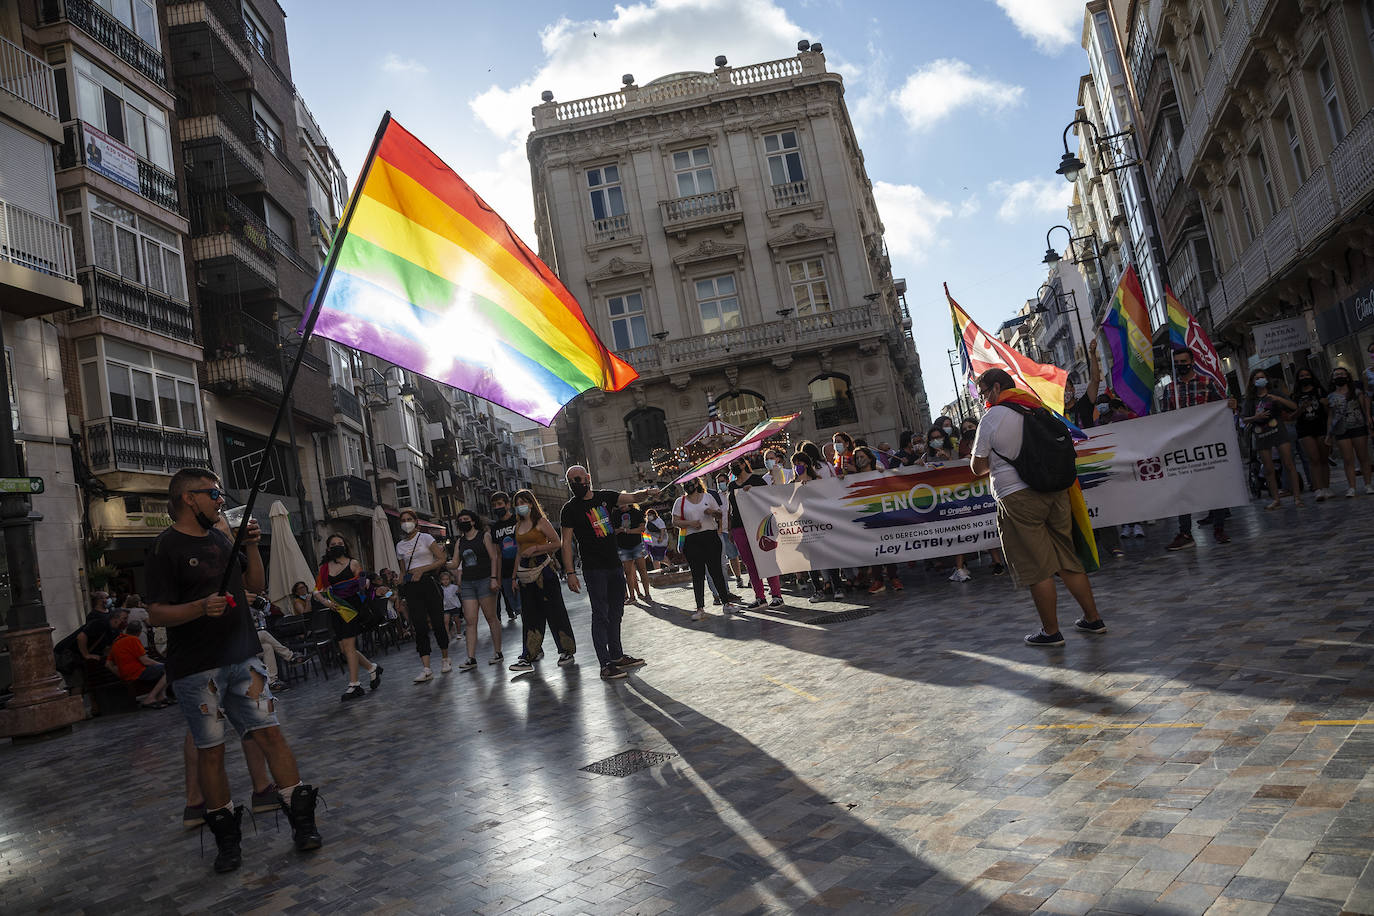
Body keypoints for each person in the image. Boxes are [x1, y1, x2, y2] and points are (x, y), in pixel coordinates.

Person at [145, 468, 321, 873]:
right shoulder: (164, 547)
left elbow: (255, 586)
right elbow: (156, 612)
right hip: (196, 669)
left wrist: (255, 547)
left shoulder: (223, 539)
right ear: (189, 498)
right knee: (211, 751)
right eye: (213, 494)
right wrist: (197, 608)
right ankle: (227, 841)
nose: (220, 500)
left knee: (271, 734)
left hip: (243, 658)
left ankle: (302, 822)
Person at [972, 369, 1106, 646]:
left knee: (1038, 567)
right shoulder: (1036, 406)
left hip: (1017, 497)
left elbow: (977, 466)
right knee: (1067, 557)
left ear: (996, 387)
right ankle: (1093, 619)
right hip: (1056, 491)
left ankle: (1051, 631)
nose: (983, 399)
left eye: (984, 392)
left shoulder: (993, 417)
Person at [560, 466, 654, 680]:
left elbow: (632, 496)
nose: (576, 484)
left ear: (588, 478)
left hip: (614, 564)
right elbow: (565, 543)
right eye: (571, 481)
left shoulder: (606, 497)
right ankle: (605, 664)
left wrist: (648, 493)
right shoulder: (569, 509)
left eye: (579, 479)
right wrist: (570, 572)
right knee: (600, 615)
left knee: (616, 613)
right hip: (594, 569)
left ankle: (617, 656)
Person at [1161, 349, 1237, 548]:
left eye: (1183, 361)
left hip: (1207, 444)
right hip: (1182, 447)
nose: (1180, 365)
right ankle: (1185, 533)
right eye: (1177, 362)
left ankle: (1219, 528)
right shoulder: (1170, 389)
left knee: (1214, 487)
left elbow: (1223, 408)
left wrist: (1230, 405)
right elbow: (1164, 419)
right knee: (1182, 490)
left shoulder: (1207, 383)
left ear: (1192, 361)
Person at [508, 489, 577, 672]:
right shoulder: (517, 526)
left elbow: (557, 543)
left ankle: (566, 650)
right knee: (530, 614)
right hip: (525, 573)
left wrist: (537, 548)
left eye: (523, 502)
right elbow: (518, 552)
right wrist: (513, 576)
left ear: (531, 503)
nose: (520, 506)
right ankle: (529, 654)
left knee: (555, 611)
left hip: (544, 570)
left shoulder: (541, 522)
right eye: (517, 503)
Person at [314, 534, 382, 701]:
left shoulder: (353, 563)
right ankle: (372, 668)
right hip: (335, 609)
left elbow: (362, 584)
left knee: (349, 646)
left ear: (345, 546)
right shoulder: (324, 567)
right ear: (328, 548)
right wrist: (326, 602)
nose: (337, 545)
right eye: (333, 544)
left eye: (340, 543)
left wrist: (365, 584)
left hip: (351, 608)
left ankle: (354, 684)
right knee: (344, 649)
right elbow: (316, 590)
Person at [396, 507, 451, 682]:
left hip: (428, 582)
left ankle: (445, 658)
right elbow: (403, 571)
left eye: (408, 519)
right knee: (419, 626)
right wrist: (400, 581)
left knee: (437, 621)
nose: (406, 523)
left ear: (415, 521)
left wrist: (423, 569)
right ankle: (426, 668)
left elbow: (441, 559)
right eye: (403, 520)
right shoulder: (399, 545)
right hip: (412, 587)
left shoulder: (426, 537)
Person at [447, 508, 504, 670]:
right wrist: (440, 562)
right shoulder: (460, 542)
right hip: (467, 583)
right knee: (471, 621)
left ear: (473, 521)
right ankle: (471, 658)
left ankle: (498, 652)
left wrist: (494, 578)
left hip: (485, 580)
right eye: (461, 520)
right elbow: (455, 563)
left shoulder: (484, 536)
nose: (463, 522)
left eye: (466, 519)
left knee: (490, 617)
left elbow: (494, 557)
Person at [726, 455, 785, 610]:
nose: (734, 466)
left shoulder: (757, 480)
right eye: (732, 464)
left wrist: (753, 492)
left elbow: (769, 500)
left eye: (736, 463)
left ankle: (777, 595)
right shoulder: (731, 485)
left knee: (767, 559)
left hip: (759, 525)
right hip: (739, 527)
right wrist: (730, 528)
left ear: (745, 464)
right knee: (750, 564)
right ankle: (760, 597)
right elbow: (730, 508)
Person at [1242, 368, 1304, 510]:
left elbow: (1293, 406)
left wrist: (1278, 399)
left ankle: (1297, 497)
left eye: (1262, 377)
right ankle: (1276, 499)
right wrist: (1255, 418)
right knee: (1268, 469)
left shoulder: (1275, 393)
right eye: (1256, 378)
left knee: (1289, 464)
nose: (1259, 380)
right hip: (1261, 434)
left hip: (1279, 431)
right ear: (1252, 382)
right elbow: (1244, 418)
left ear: (1267, 379)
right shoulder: (1251, 400)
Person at [673, 477, 731, 621]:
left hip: (710, 537)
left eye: (690, 483)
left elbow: (720, 514)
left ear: (697, 483)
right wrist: (690, 523)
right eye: (685, 483)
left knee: (716, 571)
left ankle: (726, 602)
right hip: (692, 540)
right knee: (697, 575)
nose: (687, 486)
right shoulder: (680, 502)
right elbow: (675, 521)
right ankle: (700, 608)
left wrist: (711, 512)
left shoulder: (708, 497)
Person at [792, 450, 845, 602]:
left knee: (829, 556)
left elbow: (827, 497)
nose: (797, 467)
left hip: (821, 523)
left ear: (806, 464)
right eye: (795, 464)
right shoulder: (792, 484)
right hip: (805, 525)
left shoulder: (818, 479)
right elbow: (790, 505)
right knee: (812, 560)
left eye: (800, 463)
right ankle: (818, 590)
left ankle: (838, 587)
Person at [1326, 367, 1373, 497]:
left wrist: (1369, 424)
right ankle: (1351, 487)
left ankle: (1368, 484)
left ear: (1347, 376)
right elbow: (1331, 416)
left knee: (1363, 456)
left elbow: (1364, 409)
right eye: (1336, 375)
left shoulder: (1356, 392)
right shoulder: (1330, 396)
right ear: (1333, 378)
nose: (1339, 376)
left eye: (1342, 374)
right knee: (1347, 459)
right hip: (1341, 429)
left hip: (1358, 426)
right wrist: (1329, 433)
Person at [108, 620, 170, 708]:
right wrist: (160, 664)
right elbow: (145, 661)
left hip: (127, 674)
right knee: (169, 668)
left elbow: (108, 664)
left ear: (127, 630)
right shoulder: (133, 639)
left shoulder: (116, 643)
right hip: (138, 672)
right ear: (140, 632)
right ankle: (151, 697)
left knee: (163, 669)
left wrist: (121, 674)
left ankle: (161, 696)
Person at [1293, 369, 1331, 500]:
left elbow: (1328, 410)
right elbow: (1293, 416)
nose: (1304, 377)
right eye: (1301, 376)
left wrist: (1325, 404)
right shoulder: (1296, 395)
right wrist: (1301, 408)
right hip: (1305, 429)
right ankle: (1318, 488)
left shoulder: (1319, 391)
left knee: (1324, 459)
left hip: (1321, 427)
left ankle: (1326, 487)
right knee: (1313, 459)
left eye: (1307, 375)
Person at [488, 492, 522, 622]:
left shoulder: (517, 520)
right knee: (516, 607)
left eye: (500, 504)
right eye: (494, 505)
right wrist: (497, 578)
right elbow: (498, 554)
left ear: (508, 505)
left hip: (522, 569)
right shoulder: (495, 528)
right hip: (506, 573)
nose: (497, 507)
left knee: (524, 607)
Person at [615, 502, 652, 604]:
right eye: (619, 504)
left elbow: (642, 528)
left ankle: (647, 594)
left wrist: (628, 531)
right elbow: (612, 530)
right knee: (628, 573)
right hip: (623, 547)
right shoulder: (615, 514)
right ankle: (632, 597)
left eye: (622, 503)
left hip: (637, 545)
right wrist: (619, 530)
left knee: (642, 570)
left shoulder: (636, 512)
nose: (621, 505)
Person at [439, 570, 462, 639]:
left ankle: (459, 633)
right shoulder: (441, 588)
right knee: (446, 621)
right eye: (443, 580)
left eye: (447, 579)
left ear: (450, 579)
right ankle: (447, 634)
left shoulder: (453, 587)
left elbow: (459, 591)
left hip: (454, 606)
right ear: (441, 581)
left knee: (457, 620)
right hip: (446, 607)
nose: (445, 581)